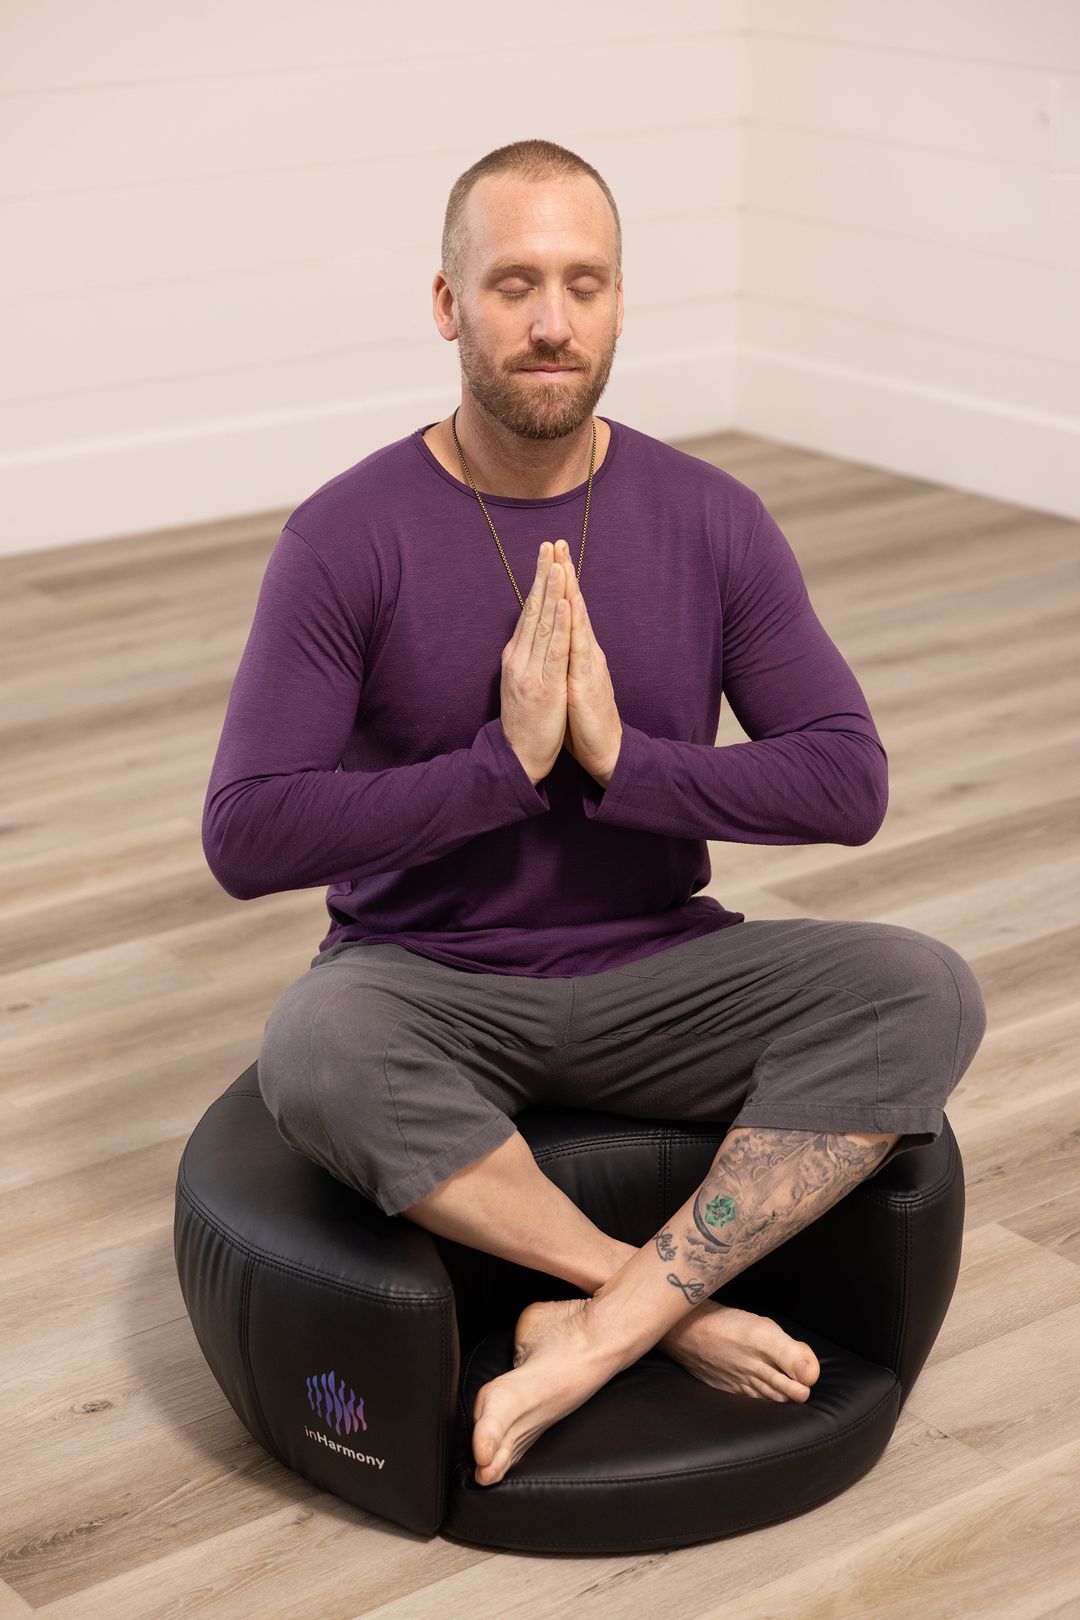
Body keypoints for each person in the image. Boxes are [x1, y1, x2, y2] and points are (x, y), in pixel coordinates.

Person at [203, 139, 984, 1490]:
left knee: (924, 992)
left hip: (662, 969)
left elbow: (848, 782)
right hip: (427, 983)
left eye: (584, 283)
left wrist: (625, 766)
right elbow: (247, 832)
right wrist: (499, 768)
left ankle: (599, 1331)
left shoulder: (713, 518)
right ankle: (663, 1304)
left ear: (622, 301)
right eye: (513, 285)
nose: (551, 323)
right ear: (448, 305)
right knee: (314, 1048)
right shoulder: (347, 536)